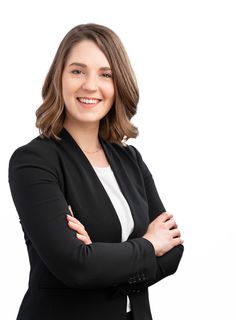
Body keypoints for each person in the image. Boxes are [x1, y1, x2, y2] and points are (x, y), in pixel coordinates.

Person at [8, 23, 184, 320]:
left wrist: (100, 257)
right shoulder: (33, 162)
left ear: (118, 85)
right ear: (58, 79)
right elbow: (75, 266)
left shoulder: (130, 159)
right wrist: (148, 245)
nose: (90, 85)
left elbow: (174, 253)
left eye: (105, 74)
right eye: (77, 71)